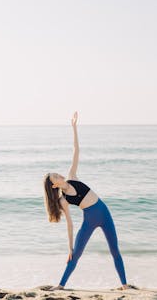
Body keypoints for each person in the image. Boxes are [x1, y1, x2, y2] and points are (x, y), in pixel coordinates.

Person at [43, 111, 132, 291]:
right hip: (89, 219)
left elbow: (76, 151)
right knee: (75, 254)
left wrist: (74, 128)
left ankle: (125, 285)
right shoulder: (63, 201)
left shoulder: (72, 177)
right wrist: (69, 248)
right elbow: (69, 225)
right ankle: (60, 285)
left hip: (104, 212)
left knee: (115, 250)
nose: (59, 175)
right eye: (55, 177)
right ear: (54, 186)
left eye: (57, 173)